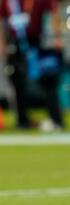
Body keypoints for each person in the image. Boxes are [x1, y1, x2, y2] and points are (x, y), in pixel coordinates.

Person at [0, 0, 64, 130]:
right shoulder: (9, 2)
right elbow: (1, 21)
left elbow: (54, 13)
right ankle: (22, 120)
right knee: (17, 82)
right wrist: (2, 44)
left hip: (39, 42)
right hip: (16, 44)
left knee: (48, 80)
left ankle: (56, 119)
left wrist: (57, 37)